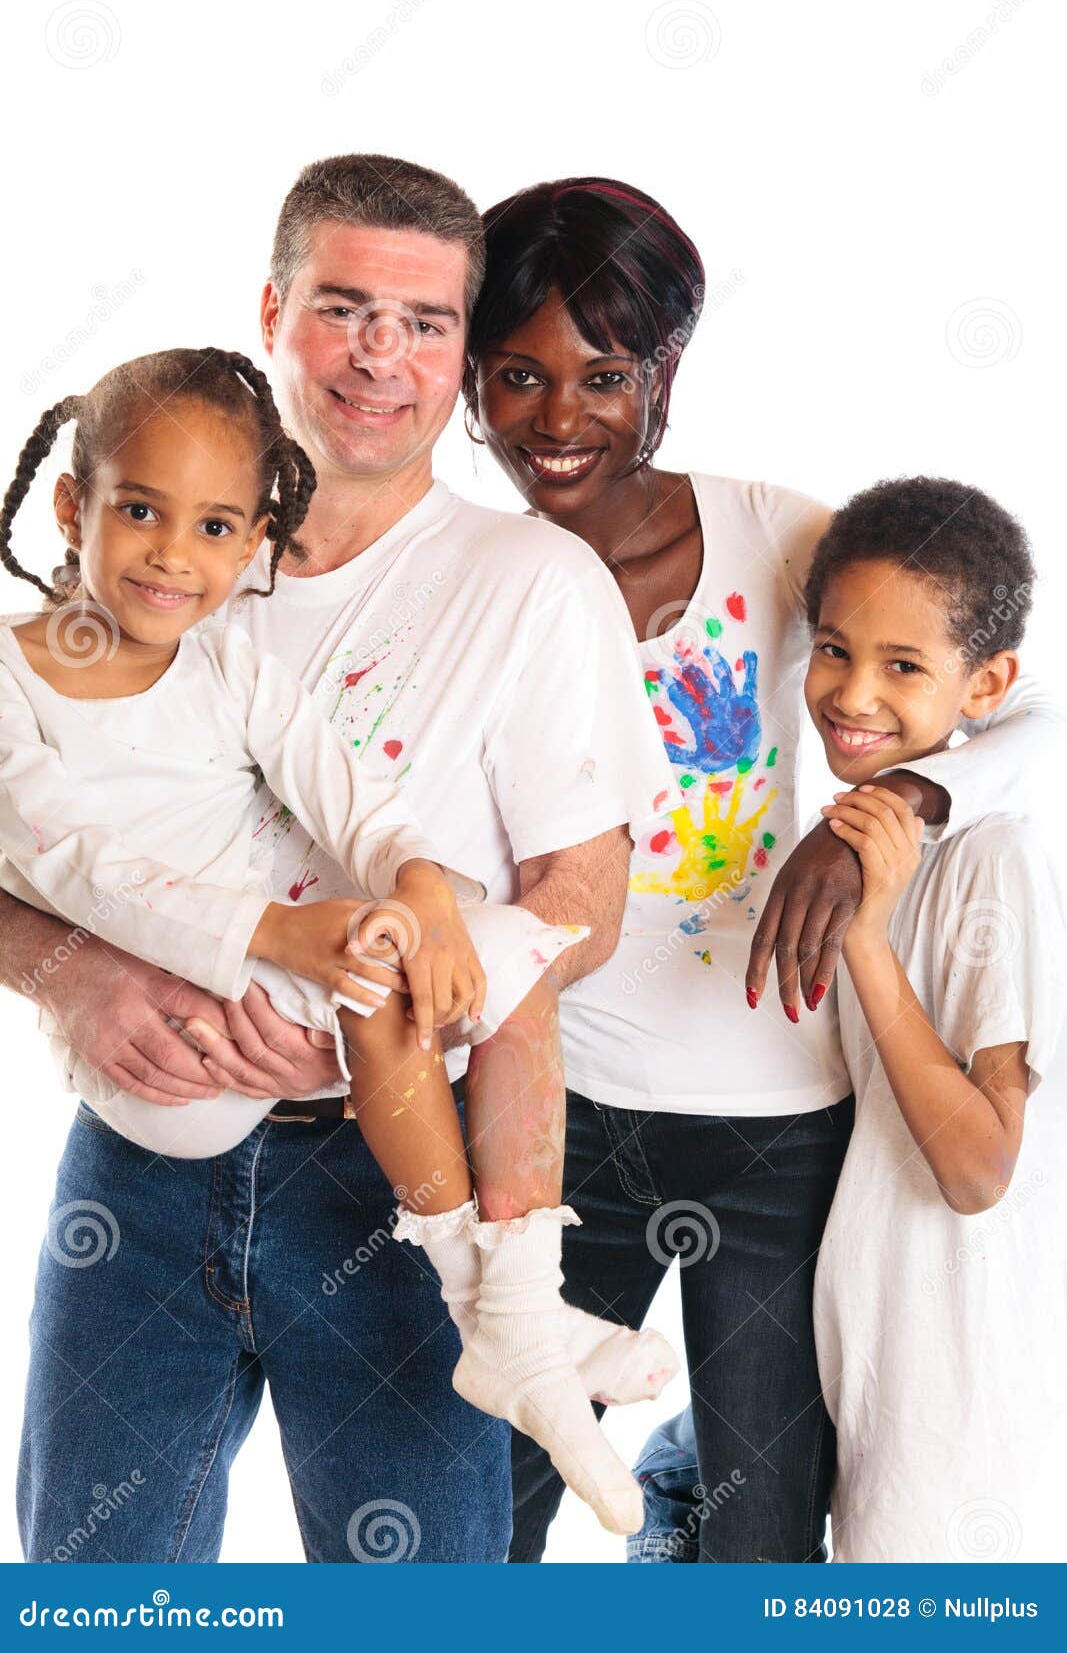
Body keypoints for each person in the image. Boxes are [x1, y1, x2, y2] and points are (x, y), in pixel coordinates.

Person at [1, 156, 676, 1564]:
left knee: (419, 1595)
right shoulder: (169, 554)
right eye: (343, 306)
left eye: (425, 322)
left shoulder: (530, 586)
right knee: (91, 1583)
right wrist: (73, 979)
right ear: (271, 307)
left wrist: (391, 994)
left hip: (399, 1181)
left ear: (461, 354)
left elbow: (582, 906)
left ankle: (516, 1315)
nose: (380, 354)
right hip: (139, 1156)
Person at [464, 175, 1067, 1561]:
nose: (559, 420)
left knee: (759, 1538)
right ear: (474, 387)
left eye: (602, 373)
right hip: (559, 1124)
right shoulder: (474, 578)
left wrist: (896, 796)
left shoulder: (774, 536)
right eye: (517, 376)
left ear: (661, 373)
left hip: (782, 1130)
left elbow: (1010, 707)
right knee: (487, 1513)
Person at [806, 478, 1067, 1562]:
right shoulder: (864, 836)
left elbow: (976, 1169)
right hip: (872, 1362)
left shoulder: (988, 860)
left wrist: (863, 943)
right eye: (833, 649)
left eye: (903, 666)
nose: (853, 693)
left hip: (953, 1396)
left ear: (986, 684)